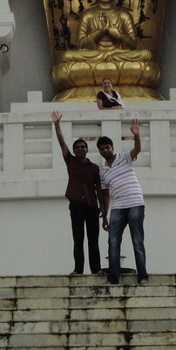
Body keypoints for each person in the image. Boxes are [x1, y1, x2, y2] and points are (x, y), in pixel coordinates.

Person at [51, 111, 104, 275]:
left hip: (92, 206)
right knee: (78, 238)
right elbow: (62, 143)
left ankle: (96, 268)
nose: (80, 149)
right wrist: (57, 124)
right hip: (76, 206)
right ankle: (78, 269)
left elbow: (99, 189)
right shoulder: (71, 161)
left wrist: (103, 208)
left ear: (87, 150)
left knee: (93, 240)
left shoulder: (94, 168)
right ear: (74, 150)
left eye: (82, 147)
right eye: (77, 147)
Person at [98, 118, 148, 285]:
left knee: (137, 241)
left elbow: (137, 149)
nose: (106, 150)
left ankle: (142, 276)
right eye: (102, 149)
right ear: (100, 152)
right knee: (113, 242)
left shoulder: (125, 157)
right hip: (118, 207)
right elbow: (106, 194)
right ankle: (113, 278)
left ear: (112, 148)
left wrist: (136, 135)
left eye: (108, 147)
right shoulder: (103, 171)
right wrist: (105, 215)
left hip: (135, 202)